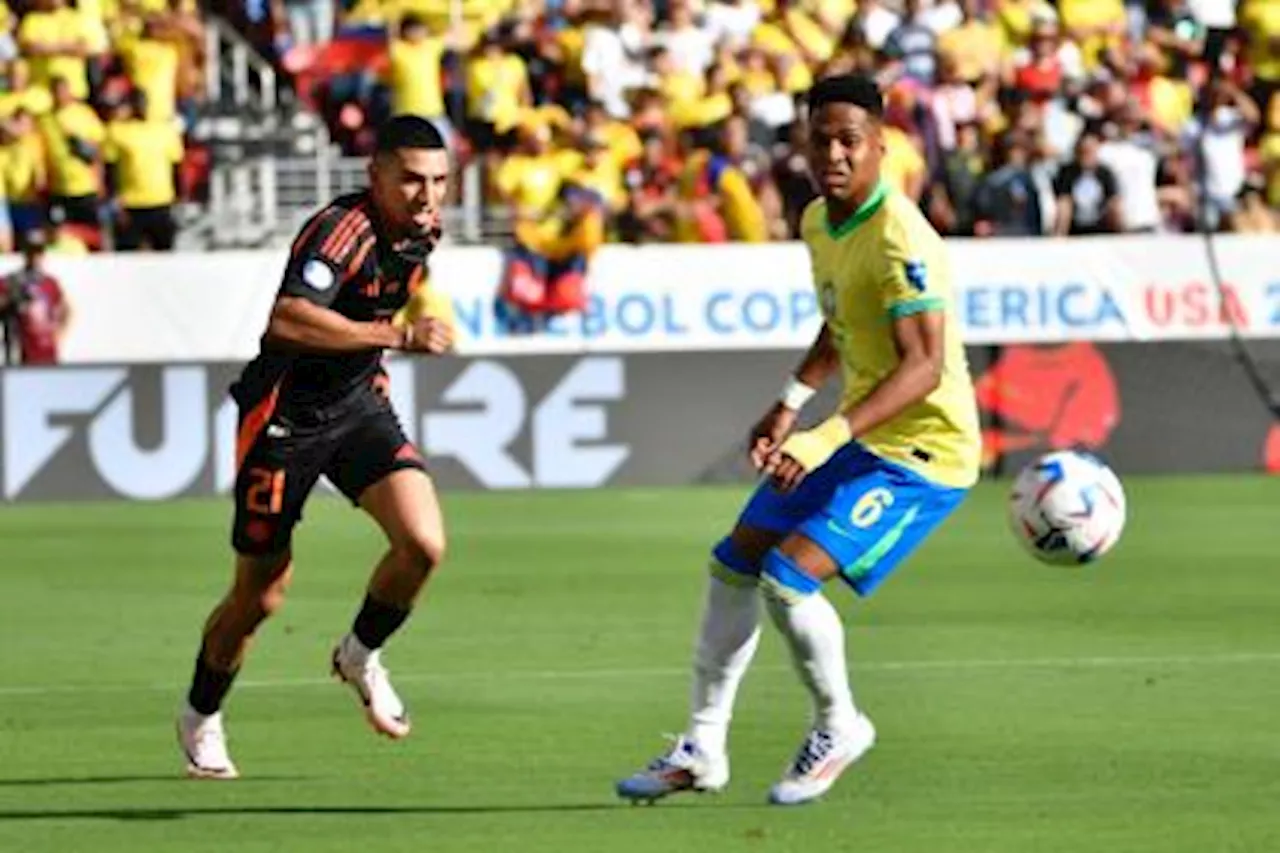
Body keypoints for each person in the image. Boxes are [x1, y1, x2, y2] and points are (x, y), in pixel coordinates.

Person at [615, 74, 981, 807]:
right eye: (822, 140)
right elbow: (840, 321)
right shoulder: (819, 219)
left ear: (882, 145)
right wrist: (788, 403)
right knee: (732, 562)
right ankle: (703, 748)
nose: (835, 154)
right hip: (859, 432)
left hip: (923, 453)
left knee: (788, 575)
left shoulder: (901, 235)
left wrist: (825, 434)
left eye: (851, 141)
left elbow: (924, 365)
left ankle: (840, 724)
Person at [176, 116, 456, 780]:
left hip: (357, 405)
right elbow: (290, 318)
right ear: (376, 175)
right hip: (285, 418)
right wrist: (395, 336)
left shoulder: (423, 232)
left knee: (423, 543)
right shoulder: (341, 230)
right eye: (412, 179)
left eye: (440, 181)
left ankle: (359, 654)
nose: (427, 195)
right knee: (260, 595)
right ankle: (200, 713)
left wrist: (397, 337)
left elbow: (392, 295)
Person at [0, 230, 71, 365]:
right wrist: (12, 299)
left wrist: (58, 333)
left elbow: (66, 309)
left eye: (39, 252)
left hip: (47, 353)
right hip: (21, 354)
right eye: (31, 252)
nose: (35, 257)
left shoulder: (50, 282)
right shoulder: (10, 281)